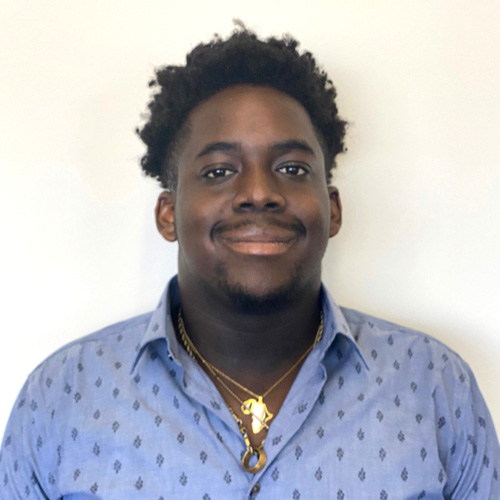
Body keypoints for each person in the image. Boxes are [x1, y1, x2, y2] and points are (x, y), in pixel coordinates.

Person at [1, 27, 499, 499]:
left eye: (291, 168)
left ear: (333, 209)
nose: (259, 193)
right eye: (219, 171)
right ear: (169, 213)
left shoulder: (435, 387)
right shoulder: (62, 395)